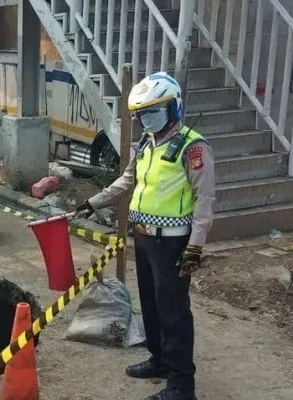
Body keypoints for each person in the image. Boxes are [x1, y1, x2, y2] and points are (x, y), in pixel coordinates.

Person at [76, 72, 216, 400]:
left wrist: (195, 248)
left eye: (153, 111)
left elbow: (205, 201)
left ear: (174, 108)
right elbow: (127, 181)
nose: (145, 119)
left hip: (172, 242)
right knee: (151, 305)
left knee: (174, 311)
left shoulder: (193, 148)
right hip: (143, 237)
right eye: (140, 114)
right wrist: (92, 203)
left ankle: (182, 385)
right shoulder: (146, 144)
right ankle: (160, 360)